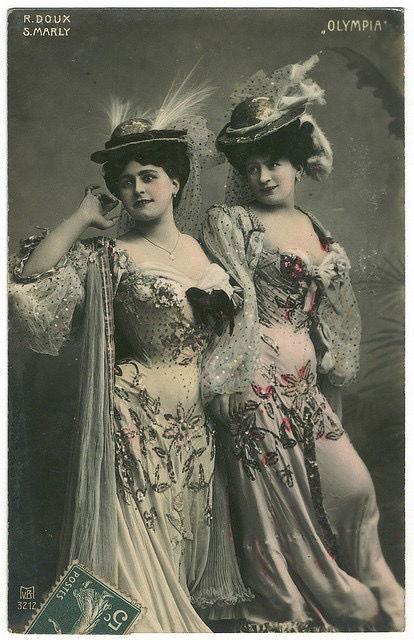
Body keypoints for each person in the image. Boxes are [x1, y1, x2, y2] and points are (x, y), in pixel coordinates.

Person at [9, 87, 251, 632]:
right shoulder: (111, 256)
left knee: (180, 543)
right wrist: (81, 217)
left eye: (148, 176)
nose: (137, 188)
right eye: (125, 181)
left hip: (194, 427)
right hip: (132, 420)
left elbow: (230, 339)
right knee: (135, 561)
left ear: (176, 181)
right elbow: (29, 279)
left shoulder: (207, 251)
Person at [198, 55, 404, 631]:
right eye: (253, 167)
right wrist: (229, 379)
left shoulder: (317, 229)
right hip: (254, 377)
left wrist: (331, 363)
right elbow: (233, 304)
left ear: (297, 164)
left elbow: (334, 315)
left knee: (354, 489)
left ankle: (385, 591)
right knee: (277, 506)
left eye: (275, 163)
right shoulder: (232, 221)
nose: (264, 176)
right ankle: (315, 602)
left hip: (305, 385)